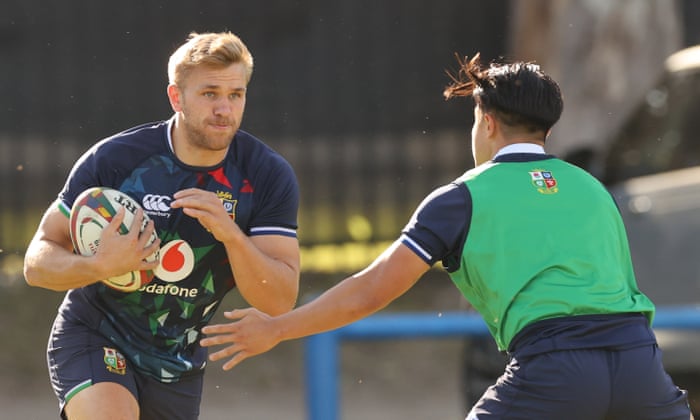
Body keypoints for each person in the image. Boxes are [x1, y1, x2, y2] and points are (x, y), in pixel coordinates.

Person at [200, 53, 694, 419]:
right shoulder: (593, 189)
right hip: (640, 364)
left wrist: (279, 327)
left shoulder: (462, 197)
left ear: (486, 121)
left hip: (554, 367)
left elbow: (371, 290)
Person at [23, 31, 300, 420]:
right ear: (176, 97)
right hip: (95, 334)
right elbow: (36, 264)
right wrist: (98, 265)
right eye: (210, 94)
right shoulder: (116, 160)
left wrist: (232, 236)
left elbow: (279, 300)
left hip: (175, 363)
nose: (224, 108)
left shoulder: (266, 175)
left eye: (235, 95)